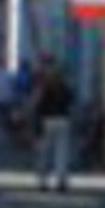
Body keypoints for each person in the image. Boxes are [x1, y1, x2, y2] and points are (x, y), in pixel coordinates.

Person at [33, 59, 83, 194]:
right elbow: (72, 106)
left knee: (45, 154)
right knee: (61, 154)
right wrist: (75, 121)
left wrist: (36, 125)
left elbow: (38, 107)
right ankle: (61, 181)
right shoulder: (66, 89)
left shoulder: (45, 89)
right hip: (63, 121)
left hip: (47, 122)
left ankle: (42, 181)